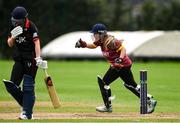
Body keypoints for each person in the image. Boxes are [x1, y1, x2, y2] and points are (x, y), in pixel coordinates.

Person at [75, 23, 157, 113]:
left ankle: (108, 106)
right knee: (130, 84)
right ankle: (149, 100)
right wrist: (85, 45)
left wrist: (119, 60)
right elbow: (94, 46)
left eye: (95, 34)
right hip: (122, 65)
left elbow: (123, 49)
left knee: (104, 82)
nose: (94, 36)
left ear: (101, 34)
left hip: (120, 65)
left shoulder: (110, 41)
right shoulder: (101, 41)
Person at [2, 6, 45, 120]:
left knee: (28, 85)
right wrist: (13, 37)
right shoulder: (14, 27)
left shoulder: (31, 26)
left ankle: (27, 113)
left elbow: (37, 42)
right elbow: (10, 44)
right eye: (14, 21)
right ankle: (28, 101)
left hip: (31, 59)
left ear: (24, 19)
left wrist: (38, 57)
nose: (16, 24)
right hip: (19, 59)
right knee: (11, 85)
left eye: (18, 21)